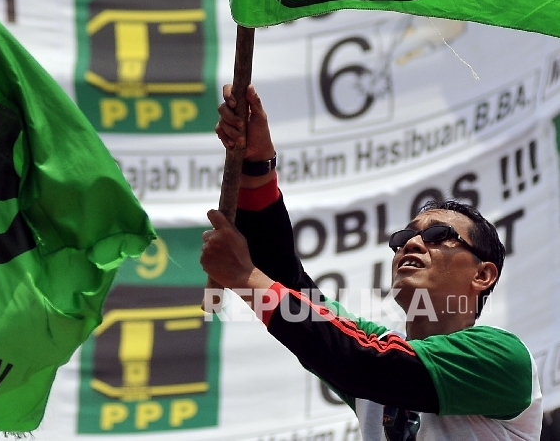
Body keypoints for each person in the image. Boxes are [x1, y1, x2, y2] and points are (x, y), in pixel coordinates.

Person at [200, 84, 543, 441]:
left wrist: (244, 277)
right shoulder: (375, 346)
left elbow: (364, 363)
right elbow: (291, 288)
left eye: (438, 234)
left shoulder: (503, 358)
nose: (411, 243)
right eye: (402, 238)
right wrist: (257, 163)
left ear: (483, 274)